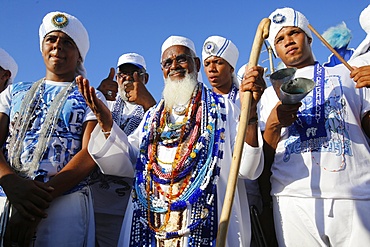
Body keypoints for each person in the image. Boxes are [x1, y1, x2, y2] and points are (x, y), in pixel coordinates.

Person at [78, 35, 265, 246]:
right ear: (162, 71)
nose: (174, 66)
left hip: (204, 226)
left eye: (181, 59)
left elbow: (247, 169)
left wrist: (250, 115)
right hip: (154, 230)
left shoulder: (224, 109)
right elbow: (128, 160)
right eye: (168, 62)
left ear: (195, 64)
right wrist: (106, 124)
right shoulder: (152, 117)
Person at [259, 7, 370, 246]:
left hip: (354, 194)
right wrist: (273, 124)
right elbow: (265, 157)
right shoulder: (269, 94)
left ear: (309, 37)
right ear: (275, 50)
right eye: (280, 39)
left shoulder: (348, 72)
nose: (288, 41)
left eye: (294, 33)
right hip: (292, 199)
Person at [0, 11, 103, 246]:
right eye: (52, 39)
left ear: (79, 56)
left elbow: (89, 154)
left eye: (68, 42)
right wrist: (10, 182)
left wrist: (37, 203)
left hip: (64, 203)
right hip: (9, 196)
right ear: (42, 46)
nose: (58, 46)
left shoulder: (89, 95)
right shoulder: (14, 92)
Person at [201, 35, 265, 246]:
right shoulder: (200, 103)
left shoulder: (247, 98)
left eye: (218, 62)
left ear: (231, 68)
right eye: (207, 63)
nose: (212, 69)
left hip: (246, 188)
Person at [90, 52, 156, 247]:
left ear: (145, 78)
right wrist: (100, 93)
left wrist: (148, 105)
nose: (128, 78)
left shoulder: (156, 108)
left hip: (127, 206)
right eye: (123, 73)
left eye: (135, 73)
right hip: (94, 202)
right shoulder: (105, 102)